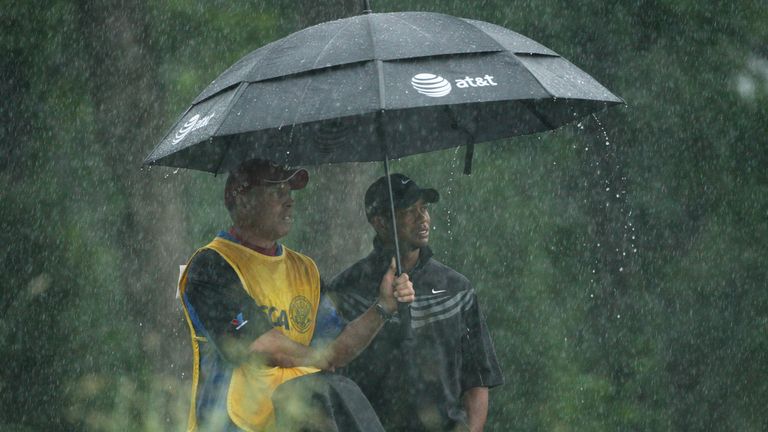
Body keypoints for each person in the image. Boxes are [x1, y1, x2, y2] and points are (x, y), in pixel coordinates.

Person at [177, 159, 415, 431]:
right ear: (242, 200)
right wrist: (319, 358)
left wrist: (383, 307)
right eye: (277, 192)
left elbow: (337, 350)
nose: (289, 201)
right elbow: (259, 345)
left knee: (341, 389)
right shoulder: (211, 265)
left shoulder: (305, 269)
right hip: (233, 425)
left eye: (289, 192)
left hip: (298, 421)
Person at [328, 174, 504, 432]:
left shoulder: (456, 288)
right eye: (410, 211)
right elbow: (329, 369)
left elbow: (477, 378)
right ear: (381, 222)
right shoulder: (345, 289)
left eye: (424, 208)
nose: (423, 219)